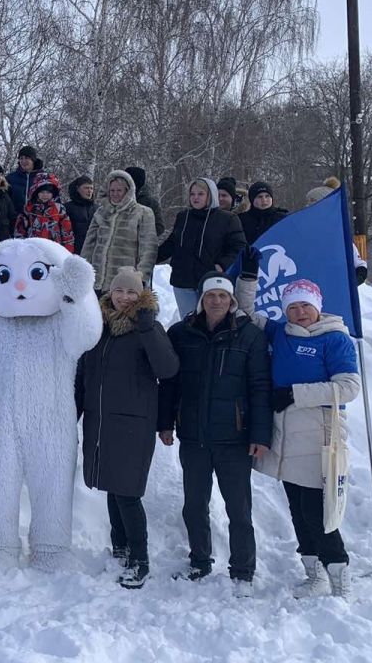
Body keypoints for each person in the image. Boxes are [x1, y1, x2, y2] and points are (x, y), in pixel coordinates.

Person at [236, 258, 360, 598]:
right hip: (286, 437)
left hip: (320, 435)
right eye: (293, 307)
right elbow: (247, 313)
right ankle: (314, 574)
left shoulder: (334, 338)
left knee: (319, 511)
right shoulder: (280, 331)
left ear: (317, 307)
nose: (300, 312)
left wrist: (295, 394)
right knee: (298, 508)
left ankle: (339, 577)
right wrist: (248, 278)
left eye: (306, 305)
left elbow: (348, 387)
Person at [158, 274, 271, 596]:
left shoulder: (249, 335)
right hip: (193, 436)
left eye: (223, 296)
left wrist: (260, 435)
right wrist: (166, 423)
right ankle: (199, 561)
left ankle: (243, 571)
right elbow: (170, 383)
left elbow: (260, 387)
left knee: (239, 508)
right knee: (194, 505)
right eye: (211, 295)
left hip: (234, 438)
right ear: (201, 299)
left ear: (232, 300)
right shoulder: (182, 333)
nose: (217, 301)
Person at [75, 267, 178, 589]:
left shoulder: (149, 327)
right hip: (101, 419)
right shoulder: (99, 327)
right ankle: (120, 548)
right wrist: (74, 412)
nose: (124, 298)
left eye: (132, 292)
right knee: (110, 486)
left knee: (128, 493)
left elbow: (168, 368)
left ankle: (140, 559)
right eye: (119, 291)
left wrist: (147, 330)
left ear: (141, 295)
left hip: (134, 422)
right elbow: (84, 373)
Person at [157, 177, 246, 320]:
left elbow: (239, 247)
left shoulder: (227, 219)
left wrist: (222, 265)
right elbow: (172, 243)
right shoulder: (183, 217)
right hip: (183, 281)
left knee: (212, 322)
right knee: (189, 323)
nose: (195, 198)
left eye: (200, 194)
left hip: (211, 282)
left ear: (210, 195)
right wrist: (150, 256)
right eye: (192, 194)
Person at [79, 169, 158, 293]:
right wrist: (83, 269)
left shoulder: (142, 212)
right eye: (112, 190)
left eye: (119, 190)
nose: (115, 194)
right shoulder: (100, 212)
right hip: (97, 281)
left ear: (128, 191)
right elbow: (88, 245)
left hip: (126, 282)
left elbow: (148, 249)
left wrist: (141, 276)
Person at [306, 177, 368, 284]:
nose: (309, 206)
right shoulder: (303, 230)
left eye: (314, 203)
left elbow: (358, 263)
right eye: (309, 203)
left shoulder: (339, 233)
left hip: (335, 287)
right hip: (309, 290)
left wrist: (359, 275)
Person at [14, 172, 75, 253]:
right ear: (36, 192)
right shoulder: (29, 209)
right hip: (32, 249)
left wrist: (67, 252)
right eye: (42, 192)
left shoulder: (59, 209)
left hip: (54, 250)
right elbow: (20, 231)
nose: (45, 195)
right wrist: (21, 249)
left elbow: (67, 233)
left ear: (53, 194)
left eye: (48, 192)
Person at [125, 166, 165, 238]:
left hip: (140, 245)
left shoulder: (150, 203)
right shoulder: (118, 199)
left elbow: (159, 227)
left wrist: (137, 233)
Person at [6, 145, 44, 215]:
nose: (23, 161)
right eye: (21, 158)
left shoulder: (43, 178)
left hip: (38, 220)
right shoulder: (11, 178)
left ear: (33, 160)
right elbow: (5, 200)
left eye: (26, 158)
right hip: (16, 220)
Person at [65, 175, 97, 250]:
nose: (89, 191)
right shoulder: (67, 208)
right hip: (73, 250)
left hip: (93, 251)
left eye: (91, 188)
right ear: (77, 189)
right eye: (86, 188)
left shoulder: (97, 209)